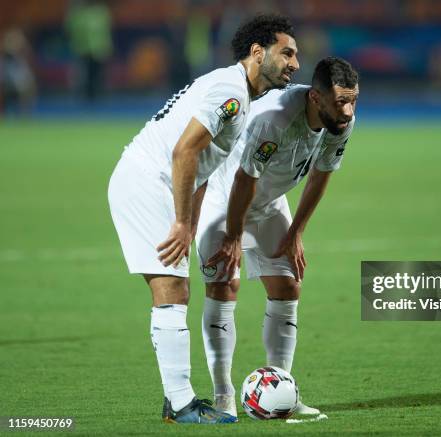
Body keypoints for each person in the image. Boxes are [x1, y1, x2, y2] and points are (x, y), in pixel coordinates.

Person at [107, 14, 299, 424]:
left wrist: (190, 223)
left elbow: (203, 169)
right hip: (148, 180)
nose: (295, 63)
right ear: (257, 52)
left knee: (176, 288)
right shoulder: (230, 92)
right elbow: (184, 154)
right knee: (172, 289)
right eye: (287, 52)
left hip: (156, 181)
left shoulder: (239, 94)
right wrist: (180, 223)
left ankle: (177, 401)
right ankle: (180, 404)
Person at [195, 57, 358, 417]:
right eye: (339, 102)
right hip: (224, 202)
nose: (347, 110)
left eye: (353, 100)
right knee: (224, 287)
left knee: (287, 286)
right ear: (316, 98)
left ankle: (282, 391)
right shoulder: (275, 120)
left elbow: (321, 173)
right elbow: (243, 179)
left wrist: (297, 230)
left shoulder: (340, 122)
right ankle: (223, 397)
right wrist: (234, 235)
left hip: (268, 204)